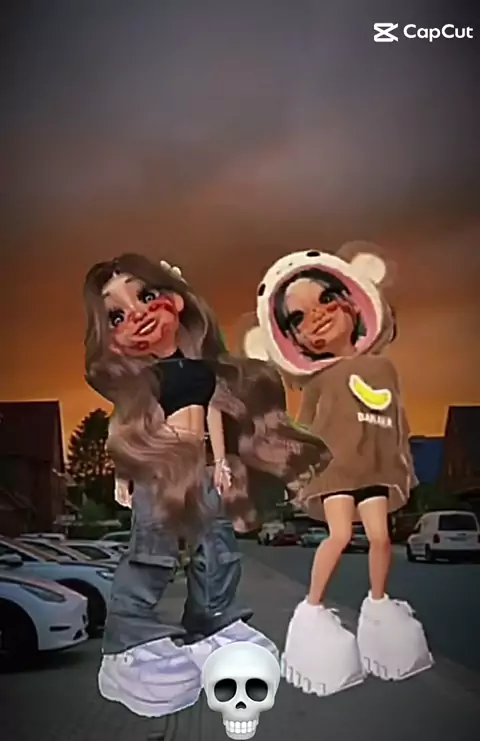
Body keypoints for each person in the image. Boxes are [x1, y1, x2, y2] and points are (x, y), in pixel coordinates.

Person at [83, 253, 332, 717]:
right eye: (116, 315)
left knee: (215, 543)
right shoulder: (145, 378)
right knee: (152, 547)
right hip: (159, 463)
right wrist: (124, 473)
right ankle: (127, 645)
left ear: (177, 301)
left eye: (146, 295)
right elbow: (131, 424)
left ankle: (211, 622)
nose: (136, 314)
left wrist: (221, 462)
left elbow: (214, 414)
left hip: (200, 464)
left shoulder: (202, 371)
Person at [241, 243, 433, 696]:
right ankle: (312, 610)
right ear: (294, 340)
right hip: (336, 472)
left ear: (352, 302)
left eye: (326, 299)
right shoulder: (319, 381)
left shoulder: (384, 369)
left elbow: (397, 423)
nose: (318, 317)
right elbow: (303, 431)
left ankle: (380, 606)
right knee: (341, 535)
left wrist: (404, 466)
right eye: (299, 317)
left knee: (381, 537)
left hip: (375, 469)